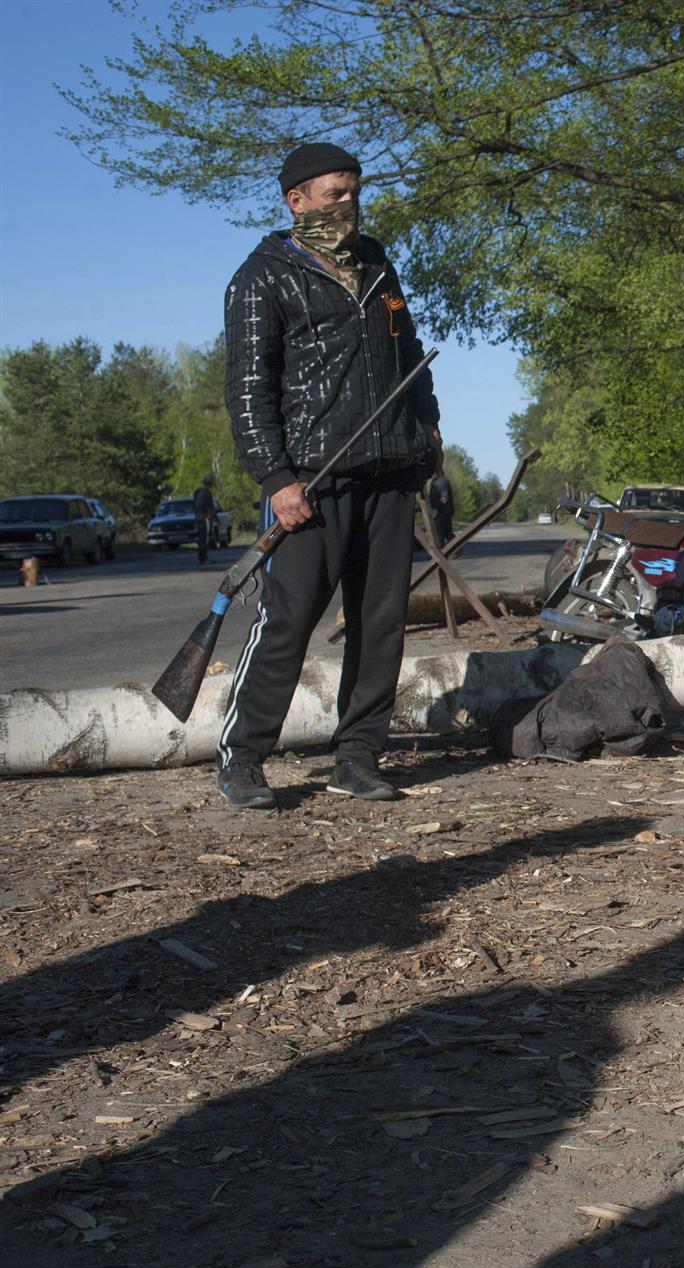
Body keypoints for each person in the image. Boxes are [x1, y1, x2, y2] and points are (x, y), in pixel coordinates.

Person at [216, 142, 442, 809]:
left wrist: (429, 433)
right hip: (311, 481)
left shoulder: (378, 264)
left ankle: (358, 757)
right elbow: (248, 391)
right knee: (286, 622)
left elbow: (412, 358)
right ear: (298, 200)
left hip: (391, 473)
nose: (349, 203)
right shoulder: (261, 277)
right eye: (335, 193)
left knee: (381, 625)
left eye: (354, 191)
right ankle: (245, 758)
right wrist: (275, 478)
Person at [427, 464, 455, 548]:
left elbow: (444, 498)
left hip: (442, 512)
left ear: (437, 472)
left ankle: (439, 553)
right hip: (443, 511)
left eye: (432, 473)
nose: (430, 475)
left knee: (439, 533)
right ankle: (454, 550)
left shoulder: (441, 481)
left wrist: (436, 508)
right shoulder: (436, 481)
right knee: (448, 532)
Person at [191, 476, 218, 565]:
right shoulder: (207, 493)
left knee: (201, 539)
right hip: (204, 518)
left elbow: (194, 505)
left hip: (198, 517)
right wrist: (215, 518)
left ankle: (201, 558)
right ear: (209, 484)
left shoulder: (197, 492)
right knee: (204, 539)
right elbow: (210, 507)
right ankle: (204, 559)